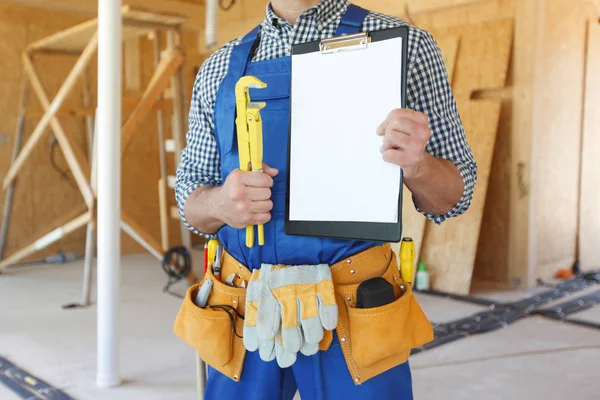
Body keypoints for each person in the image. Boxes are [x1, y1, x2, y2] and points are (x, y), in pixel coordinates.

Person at [174, 0, 477, 399]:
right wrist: (219, 205)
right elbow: (190, 199)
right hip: (245, 306)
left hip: (357, 302)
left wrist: (419, 166)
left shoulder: (407, 46)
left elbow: (455, 195)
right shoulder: (218, 68)